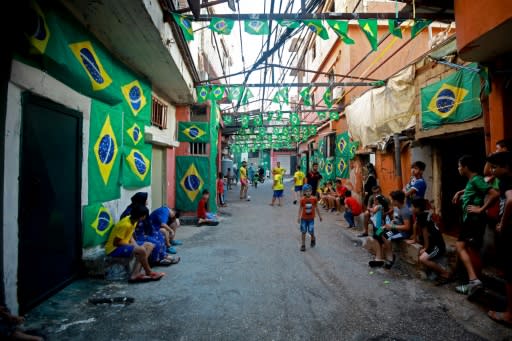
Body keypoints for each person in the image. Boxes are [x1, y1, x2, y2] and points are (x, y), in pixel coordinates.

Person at [452, 155, 499, 298]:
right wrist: (460, 192)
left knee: (461, 246)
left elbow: (494, 194)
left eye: (460, 166)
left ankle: (474, 280)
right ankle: (473, 282)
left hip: (474, 219)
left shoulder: (477, 179)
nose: (459, 169)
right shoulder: (473, 180)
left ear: (466, 167)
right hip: (471, 220)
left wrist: (481, 209)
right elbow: (474, 189)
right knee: (471, 249)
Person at [105, 205, 165, 283]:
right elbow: (116, 242)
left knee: (150, 245)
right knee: (141, 250)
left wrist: (136, 246)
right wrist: (135, 247)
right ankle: (149, 272)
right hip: (113, 249)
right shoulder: (125, 224)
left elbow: (130, 237)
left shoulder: (134, 220)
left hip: (122, 244)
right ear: (142, 216)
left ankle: (136, 273)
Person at [485, 151, 512, 326]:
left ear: (506, 167)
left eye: (495, 167)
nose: (492, 171)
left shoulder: (507, 182)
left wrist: (503, 223)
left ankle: (509, 315)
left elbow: (510, 201)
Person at [121, 193, 179, 266]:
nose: (147, 201)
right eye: (146, 199)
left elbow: (147, 224)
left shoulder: (142, 208)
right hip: (137, 235)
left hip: (144, 232)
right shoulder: (131, 212)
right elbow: (132, 230)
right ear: (141, 200)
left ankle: (163, 256)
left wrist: (152, 232)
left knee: (159, 235)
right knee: (156, 242)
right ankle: (156, 260)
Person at [412, 198, 451, 285]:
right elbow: (415, 225)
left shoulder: (422, 216)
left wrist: (426, 248)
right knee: (422, 255)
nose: (411, 208)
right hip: (433, 242)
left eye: (412, 207)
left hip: (437, 245)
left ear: (417, 208)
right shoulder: (422, 214)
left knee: (423, 259)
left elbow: (425, 233)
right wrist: (414, 239)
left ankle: (445, 273)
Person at [379, 190, 413, 269]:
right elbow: (397, 220)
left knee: (385, 236)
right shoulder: (397, 208)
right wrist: (392, 223)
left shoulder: (405, 211)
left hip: (402, 233)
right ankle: (380, 255)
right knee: (378, 232)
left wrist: (392, 227)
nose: (391, 201)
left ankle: (390, 257)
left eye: (392, 200)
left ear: (396, 201)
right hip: (395, 229)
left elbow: (407, 227)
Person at [367, 194, 391, 267]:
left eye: (375, 200)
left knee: (377, 237)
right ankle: (378, 257)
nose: (374, 201)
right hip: (378, 225)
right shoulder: (381, 207)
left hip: (379, 226)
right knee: (376, 237)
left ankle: (379, 257)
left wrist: (369, 208)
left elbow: (373, 211)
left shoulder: (379, 206)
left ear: (377, 201)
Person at [298, 184, 322, 252]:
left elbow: (316, 207)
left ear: (311, 191)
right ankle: (303, 245)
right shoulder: (302, 199)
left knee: (311, 231)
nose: (308, 192)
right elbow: (300, 208)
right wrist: (299, 217)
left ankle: (313, 238)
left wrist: (320, 216)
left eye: (309, 191)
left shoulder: (314, 199)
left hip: (311, 219)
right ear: (304, 192)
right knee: (303, 231)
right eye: (306, 191)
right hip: (304, 219)